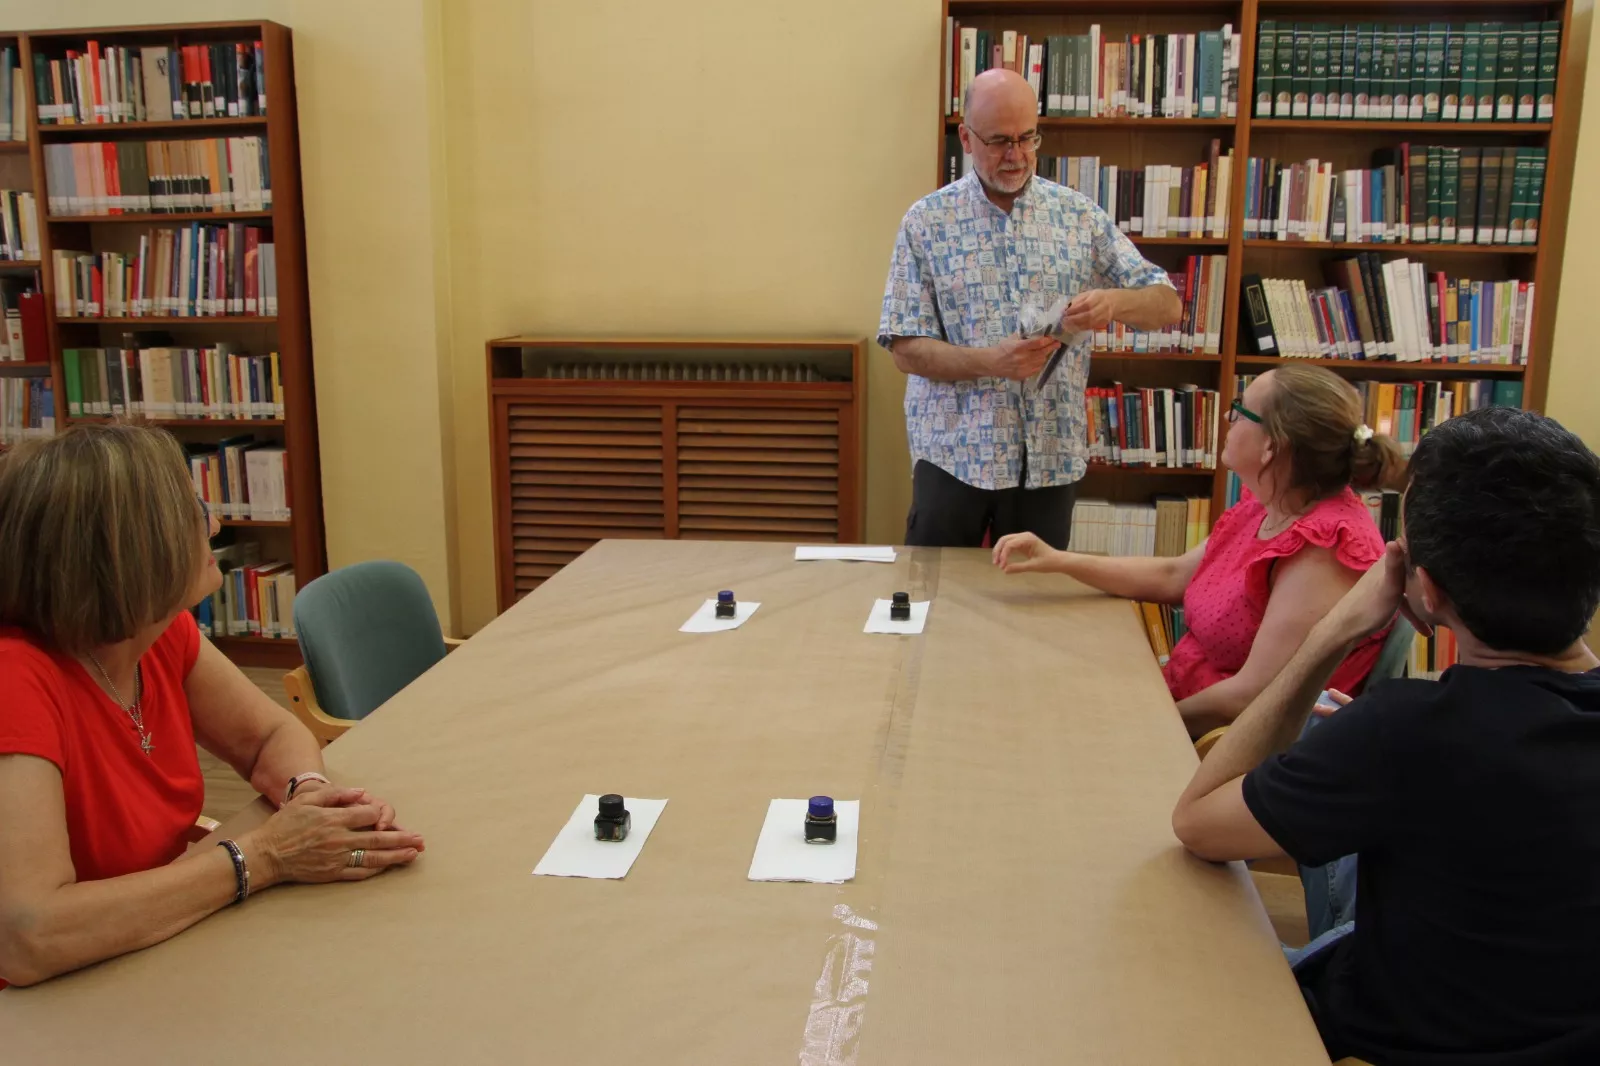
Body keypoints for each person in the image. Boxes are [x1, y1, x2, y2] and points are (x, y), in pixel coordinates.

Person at [1172, 406, 1600, 1065]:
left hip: (1392, 1040)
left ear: (1425, 587)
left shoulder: (1406, 732)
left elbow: (1198, 822)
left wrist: (1330, 634)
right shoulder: (1405, 736)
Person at [0, 425, 425, 988]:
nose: (216, 524)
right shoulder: (15, 680)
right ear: (133, 547)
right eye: (195, 510)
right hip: (58, 998)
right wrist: (266, 856)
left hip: (156, 942)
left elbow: (268, 737)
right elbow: (28, 936)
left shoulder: (159, 633)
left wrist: (308, 796)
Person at [995, 365, 1405, 736]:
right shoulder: (1273, 501)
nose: (1227, 416)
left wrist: (1138, 723)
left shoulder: (1325, 549)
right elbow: (1175, 575)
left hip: (1223, 743)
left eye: (1240, 410)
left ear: (1272, 447)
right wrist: (1058, 560)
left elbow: (1250, 697)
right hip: (1185, 704)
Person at [878, 67, 1181, 551]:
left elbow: (1166, 305)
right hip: (953, 456)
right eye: (999, 140)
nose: (1016, 155)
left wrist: (1113, 302)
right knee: (935, 591)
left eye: (1027, 137)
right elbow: (905, 350)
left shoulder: (1079, 216)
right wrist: (991, 361)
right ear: (966, 138)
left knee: (1033, 594)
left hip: (1049, 458)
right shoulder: (926, 222)